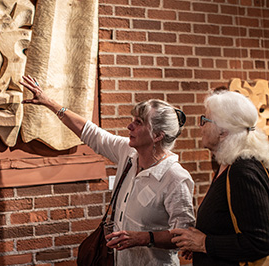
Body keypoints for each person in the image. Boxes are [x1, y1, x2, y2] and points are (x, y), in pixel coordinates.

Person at [21, 75, 195, 266]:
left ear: (157, 135)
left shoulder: (175, 177)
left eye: (138, 122)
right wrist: (49, 103)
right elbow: (91, 133)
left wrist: (144, 238)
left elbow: (184, 236)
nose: (129, 126)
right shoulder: (128, 153)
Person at [171, 88, 269, 266]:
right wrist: (198, 241)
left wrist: (204, 243)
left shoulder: (242, 171)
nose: (201, 126)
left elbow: (261, 241)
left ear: (223, 132)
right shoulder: (228, 165)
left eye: (205, 120)